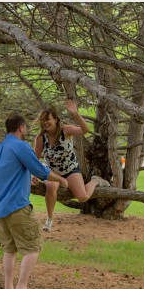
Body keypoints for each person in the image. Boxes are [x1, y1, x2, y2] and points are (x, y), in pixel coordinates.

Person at [0, 114, 69, 289]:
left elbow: (13, 171)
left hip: (1, 209)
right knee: (33, 247)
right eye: (25, 128)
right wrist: (61, 180)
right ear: (21, 129)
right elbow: (40, 169)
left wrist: (28, 177)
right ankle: (21, 288)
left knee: (9, 250)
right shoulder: (20, 145)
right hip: (18, 206)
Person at [33, 98, 108, 231]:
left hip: (70, 169)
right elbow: (34, 159)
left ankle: (95, 181)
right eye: (43, 120)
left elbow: (85, 130)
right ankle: (49, 220)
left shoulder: (66, 130)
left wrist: (76, 114)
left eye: (48, 119)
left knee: (83, 197)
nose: (45, 123)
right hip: (52, 170)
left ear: (55, 119)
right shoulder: (40, 138)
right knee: (51, 186)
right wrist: (34, 175)